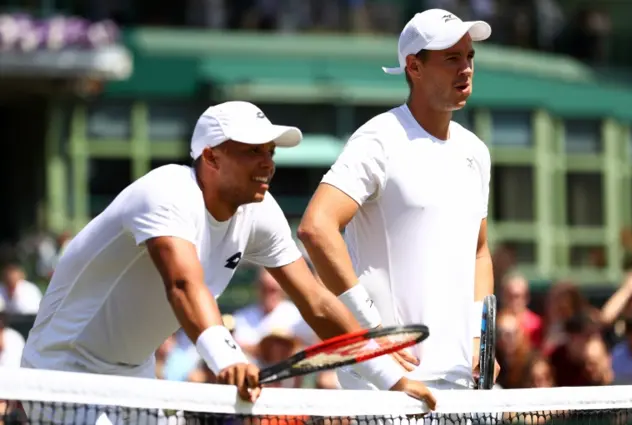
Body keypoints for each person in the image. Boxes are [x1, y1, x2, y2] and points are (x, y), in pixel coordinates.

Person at [20, 101, 436, 423]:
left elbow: (316, 302)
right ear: (211, 157)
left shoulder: (261, 210)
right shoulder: (164, 192)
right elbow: (183, 285)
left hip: (135, 371)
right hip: (63, 366)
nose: (267, 164)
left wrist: (391, 377)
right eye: (252, 151)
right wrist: (229, 358)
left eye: (270, 152)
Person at [298, 9, 499, 394]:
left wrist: (478, 341)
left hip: (459, 381)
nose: (466, 69)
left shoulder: (476, 151)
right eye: (451, 58)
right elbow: (316, 227)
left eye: (469, 57)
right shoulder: (379, 138)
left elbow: (479, 252)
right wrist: (370, 331)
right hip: (388, 387)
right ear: (414, 67)